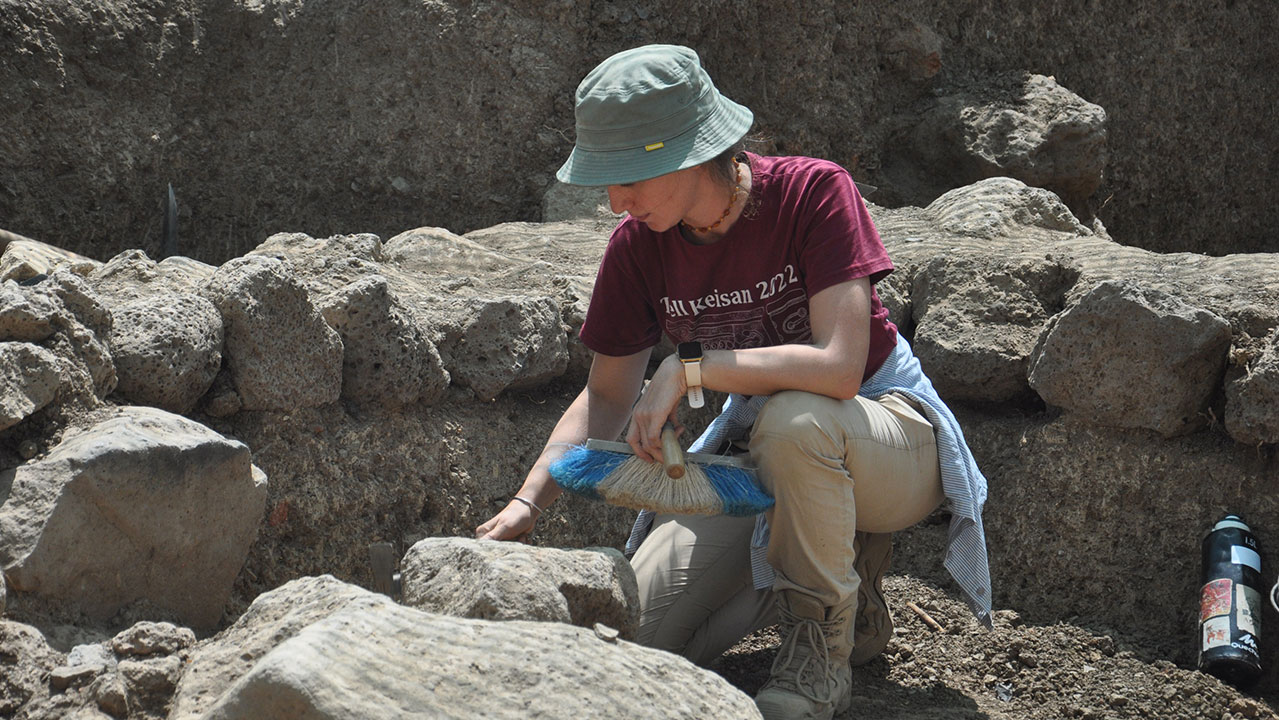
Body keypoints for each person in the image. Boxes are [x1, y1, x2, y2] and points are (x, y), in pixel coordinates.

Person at [476, 44, 991, 720]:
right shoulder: (637, 247)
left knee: (796, 420)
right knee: (640, 644)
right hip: (765, 463)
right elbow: (605, 394)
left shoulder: (813, 192)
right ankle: (838, 579)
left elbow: (838, 367)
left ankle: (817, 651)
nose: (613, 201)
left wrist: (690, 367)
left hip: (885, 435)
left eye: (628, 175)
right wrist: (526, 503)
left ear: (691, 153)